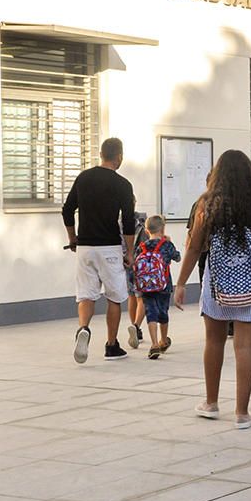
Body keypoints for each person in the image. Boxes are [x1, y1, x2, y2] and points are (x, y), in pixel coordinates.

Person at [175, 149, 251, 430]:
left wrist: (181, 283)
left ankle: (211, 402)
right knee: (244, 347)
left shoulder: (207, 203)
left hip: (217, 281)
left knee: (214, 341)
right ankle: (242, 413)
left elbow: (194, 246)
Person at [62, 137, 136, 363]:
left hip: (85, 247)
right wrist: (130, 252)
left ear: (101, 154)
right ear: (119, 157)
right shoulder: (123, 184)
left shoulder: (83, 178)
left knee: (86, 294)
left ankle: (83, 328)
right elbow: (129, 221)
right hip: (109, 247)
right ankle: (112, 346)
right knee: (114, 297)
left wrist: (73, 238)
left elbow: (67, 210)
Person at [135, 215, 182, 360]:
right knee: (163, 312)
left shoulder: (141, 247)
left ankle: (154, 344)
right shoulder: (166, 245)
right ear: (163, 228)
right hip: (164, 286)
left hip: (146, 287)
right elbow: (178, 257)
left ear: (147, 230)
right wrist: (170, 243)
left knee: (151, 313)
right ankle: (163, 340)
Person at [125, 208, 150, 349]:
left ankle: (135, 329)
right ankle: (136, 326)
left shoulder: (117, 222)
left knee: (131, 296)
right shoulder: (142, 221)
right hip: (141, 264)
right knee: (142, 297)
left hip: (126, 263)